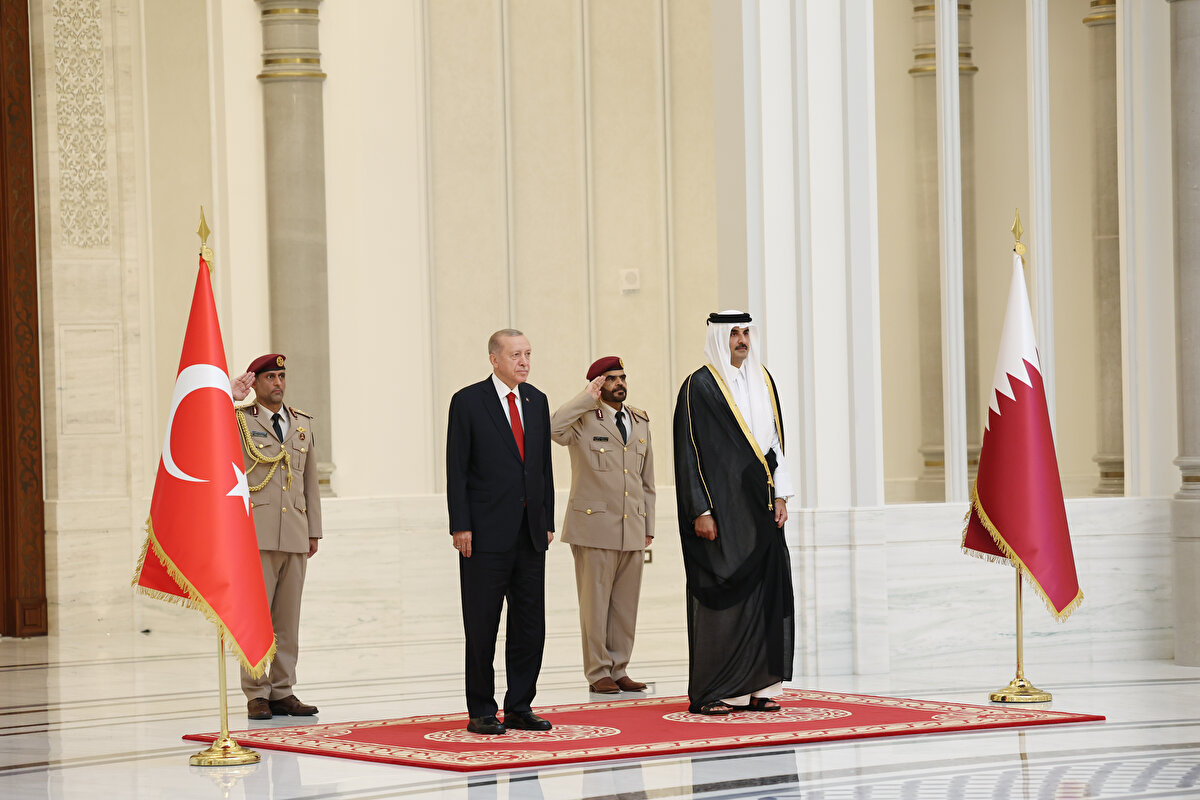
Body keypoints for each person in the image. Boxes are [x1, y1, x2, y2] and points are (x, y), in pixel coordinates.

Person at [672, 311, 795, 715]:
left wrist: (781, 495)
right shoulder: (699, 386)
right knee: (723, 595)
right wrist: (700, 510)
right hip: (721, 509)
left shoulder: (763, 379)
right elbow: (688, 454)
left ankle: (759, 684)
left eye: (745, 332)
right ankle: (715, 689)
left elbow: (775, 445)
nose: (741, 340)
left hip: (760, 507)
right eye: (734, 333)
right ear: (718, 337)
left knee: (765, 593)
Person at [446, 329, 556, 736]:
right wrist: (461, 524)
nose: (524, 361)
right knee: (482, 625)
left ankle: (520, 705)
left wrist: (547, 521)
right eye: (515, 355)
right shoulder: (468, 401)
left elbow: (542, 467)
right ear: (495, 359)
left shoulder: (537, 400)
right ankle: (481, 710)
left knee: (530, 624)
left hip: (530, 534)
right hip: (484, 536)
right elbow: (457, 468)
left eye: (528, 353)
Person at [551, 356, 655, 695]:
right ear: (597, 384)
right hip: (593, 529)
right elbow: (552, 428)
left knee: (625, 606)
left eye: (622, 377)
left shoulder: (639, 421)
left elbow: (647, 481)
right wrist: (586, 397)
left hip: (631, 529)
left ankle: (620, 667)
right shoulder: (582, 420)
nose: (619, 383)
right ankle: (598, 672)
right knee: (594, 605)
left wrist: (648, 524)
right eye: (610, 379)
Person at [229, 353, 323, 720]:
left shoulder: (302, 424)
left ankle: (283, 690)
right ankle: (256, 693)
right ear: (255, 383)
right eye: (270, 377)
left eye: (282, 376)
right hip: (256, 535)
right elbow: (206, 431)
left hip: (296, 534)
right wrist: (229, 397)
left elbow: (310, 482)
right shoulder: (238, 421)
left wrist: (314, 530)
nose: (278, 383)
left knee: (287, 619)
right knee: (255, 618)